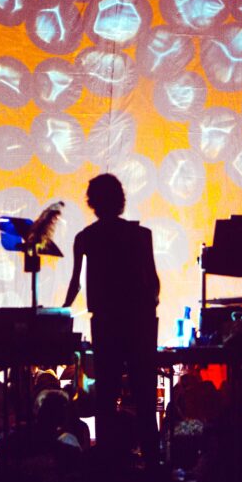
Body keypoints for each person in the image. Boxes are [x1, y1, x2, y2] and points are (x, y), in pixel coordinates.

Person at [63, 173, 160, 464]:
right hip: (139, 324)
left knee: (106, 395)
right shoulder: (141, 235)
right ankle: (152, 459)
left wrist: (57, 312)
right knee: (144, 396)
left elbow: (75, 284)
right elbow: (153, 281)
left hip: (105, 324)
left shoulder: (86, 237)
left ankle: (107, 460)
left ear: (92, 202)